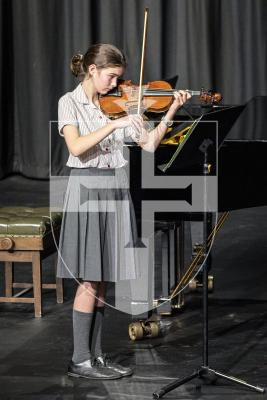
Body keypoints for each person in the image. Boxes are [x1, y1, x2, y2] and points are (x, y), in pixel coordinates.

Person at [57, 43, 191, 380]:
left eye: (118, 78)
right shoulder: (68, 102)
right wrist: (114, 126)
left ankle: (96, 357)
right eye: (111, 77)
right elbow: (76, 146)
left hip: (115, 188)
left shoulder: (119, 105)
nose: (116, 85)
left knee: (103, 280)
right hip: (87, 188)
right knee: (89, 279)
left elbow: (148, 145)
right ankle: (80, 359)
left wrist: (171, 111)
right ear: (92, 70)